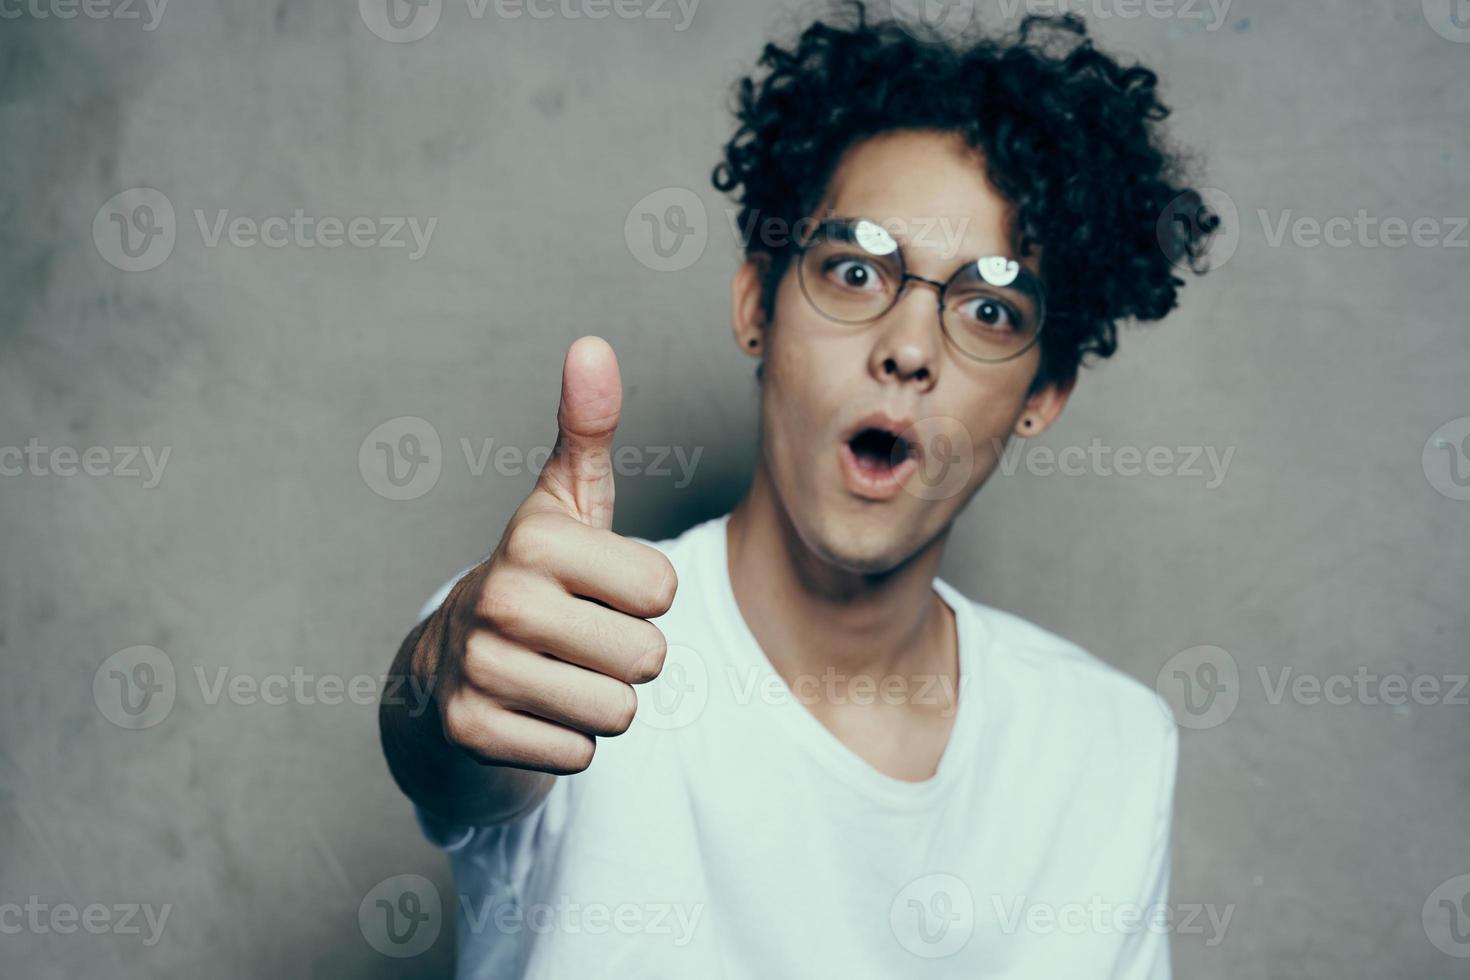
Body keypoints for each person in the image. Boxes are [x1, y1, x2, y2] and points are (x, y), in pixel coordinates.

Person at [379, 4, 1218, 976]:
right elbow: (455, 722)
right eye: (856, 270)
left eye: (989, 308)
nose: (907, 347)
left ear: (1042, 393)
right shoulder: (559, 637)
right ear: (756, 307)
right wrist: (449, 665)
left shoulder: (1106, 746)